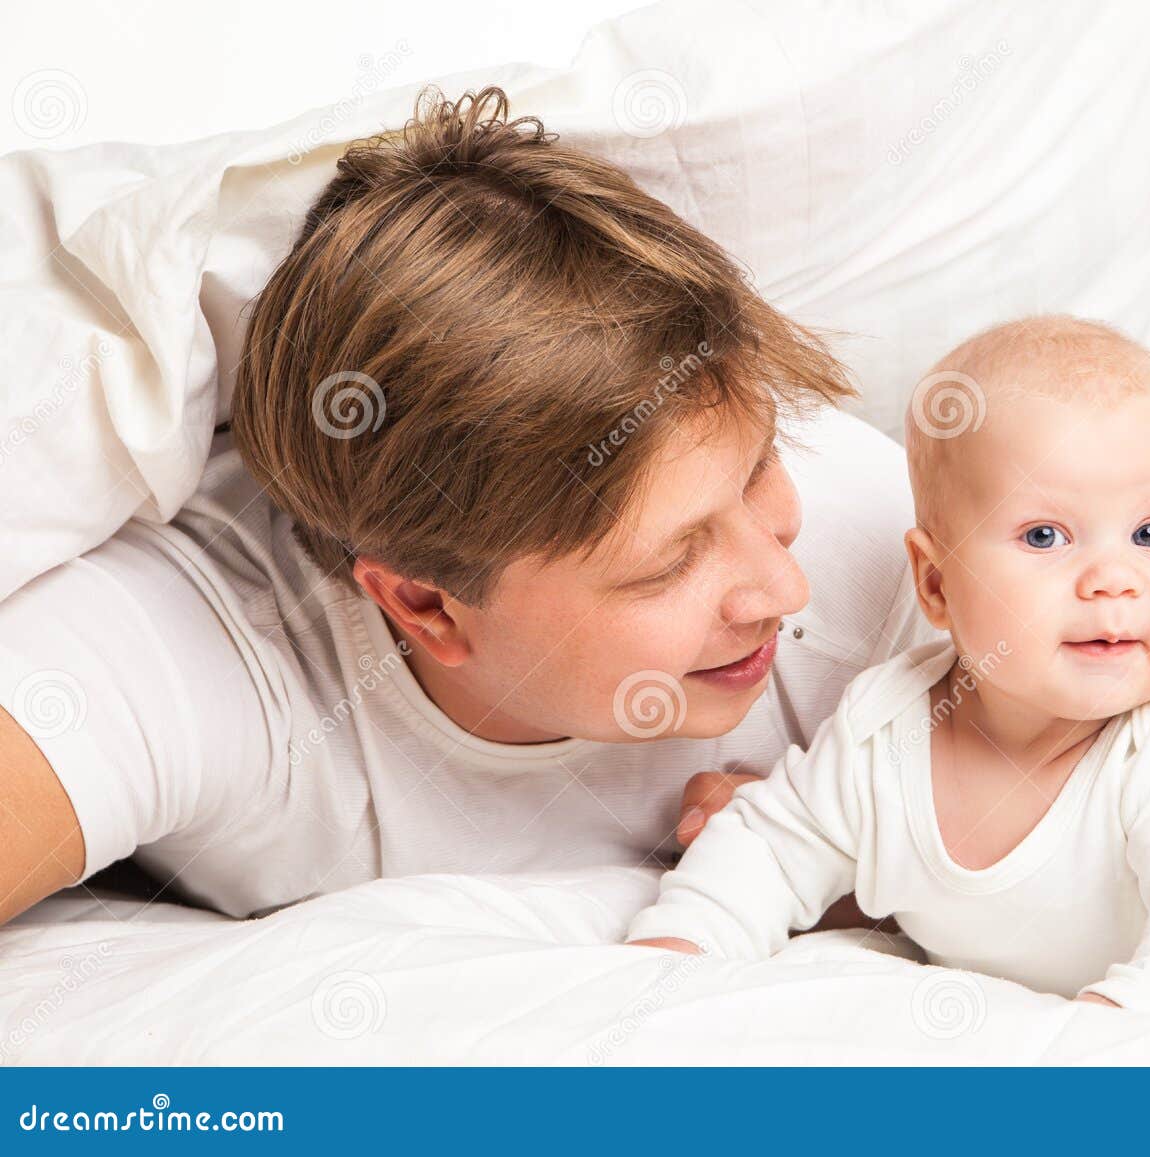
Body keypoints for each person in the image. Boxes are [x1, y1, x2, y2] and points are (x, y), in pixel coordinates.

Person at [0, 87, 936, 926]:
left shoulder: (882, 536)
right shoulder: (203, 651)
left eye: (761, 464)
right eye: (669, 561)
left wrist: (894, 870)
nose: (783, 583)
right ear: (425, 606)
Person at [626, 316, 1150, 1017]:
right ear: (936, 581)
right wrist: (687, 942)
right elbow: (774, 844)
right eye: (1044, 535)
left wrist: (1114, 1025)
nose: (1114, 576)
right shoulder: (884, 727)